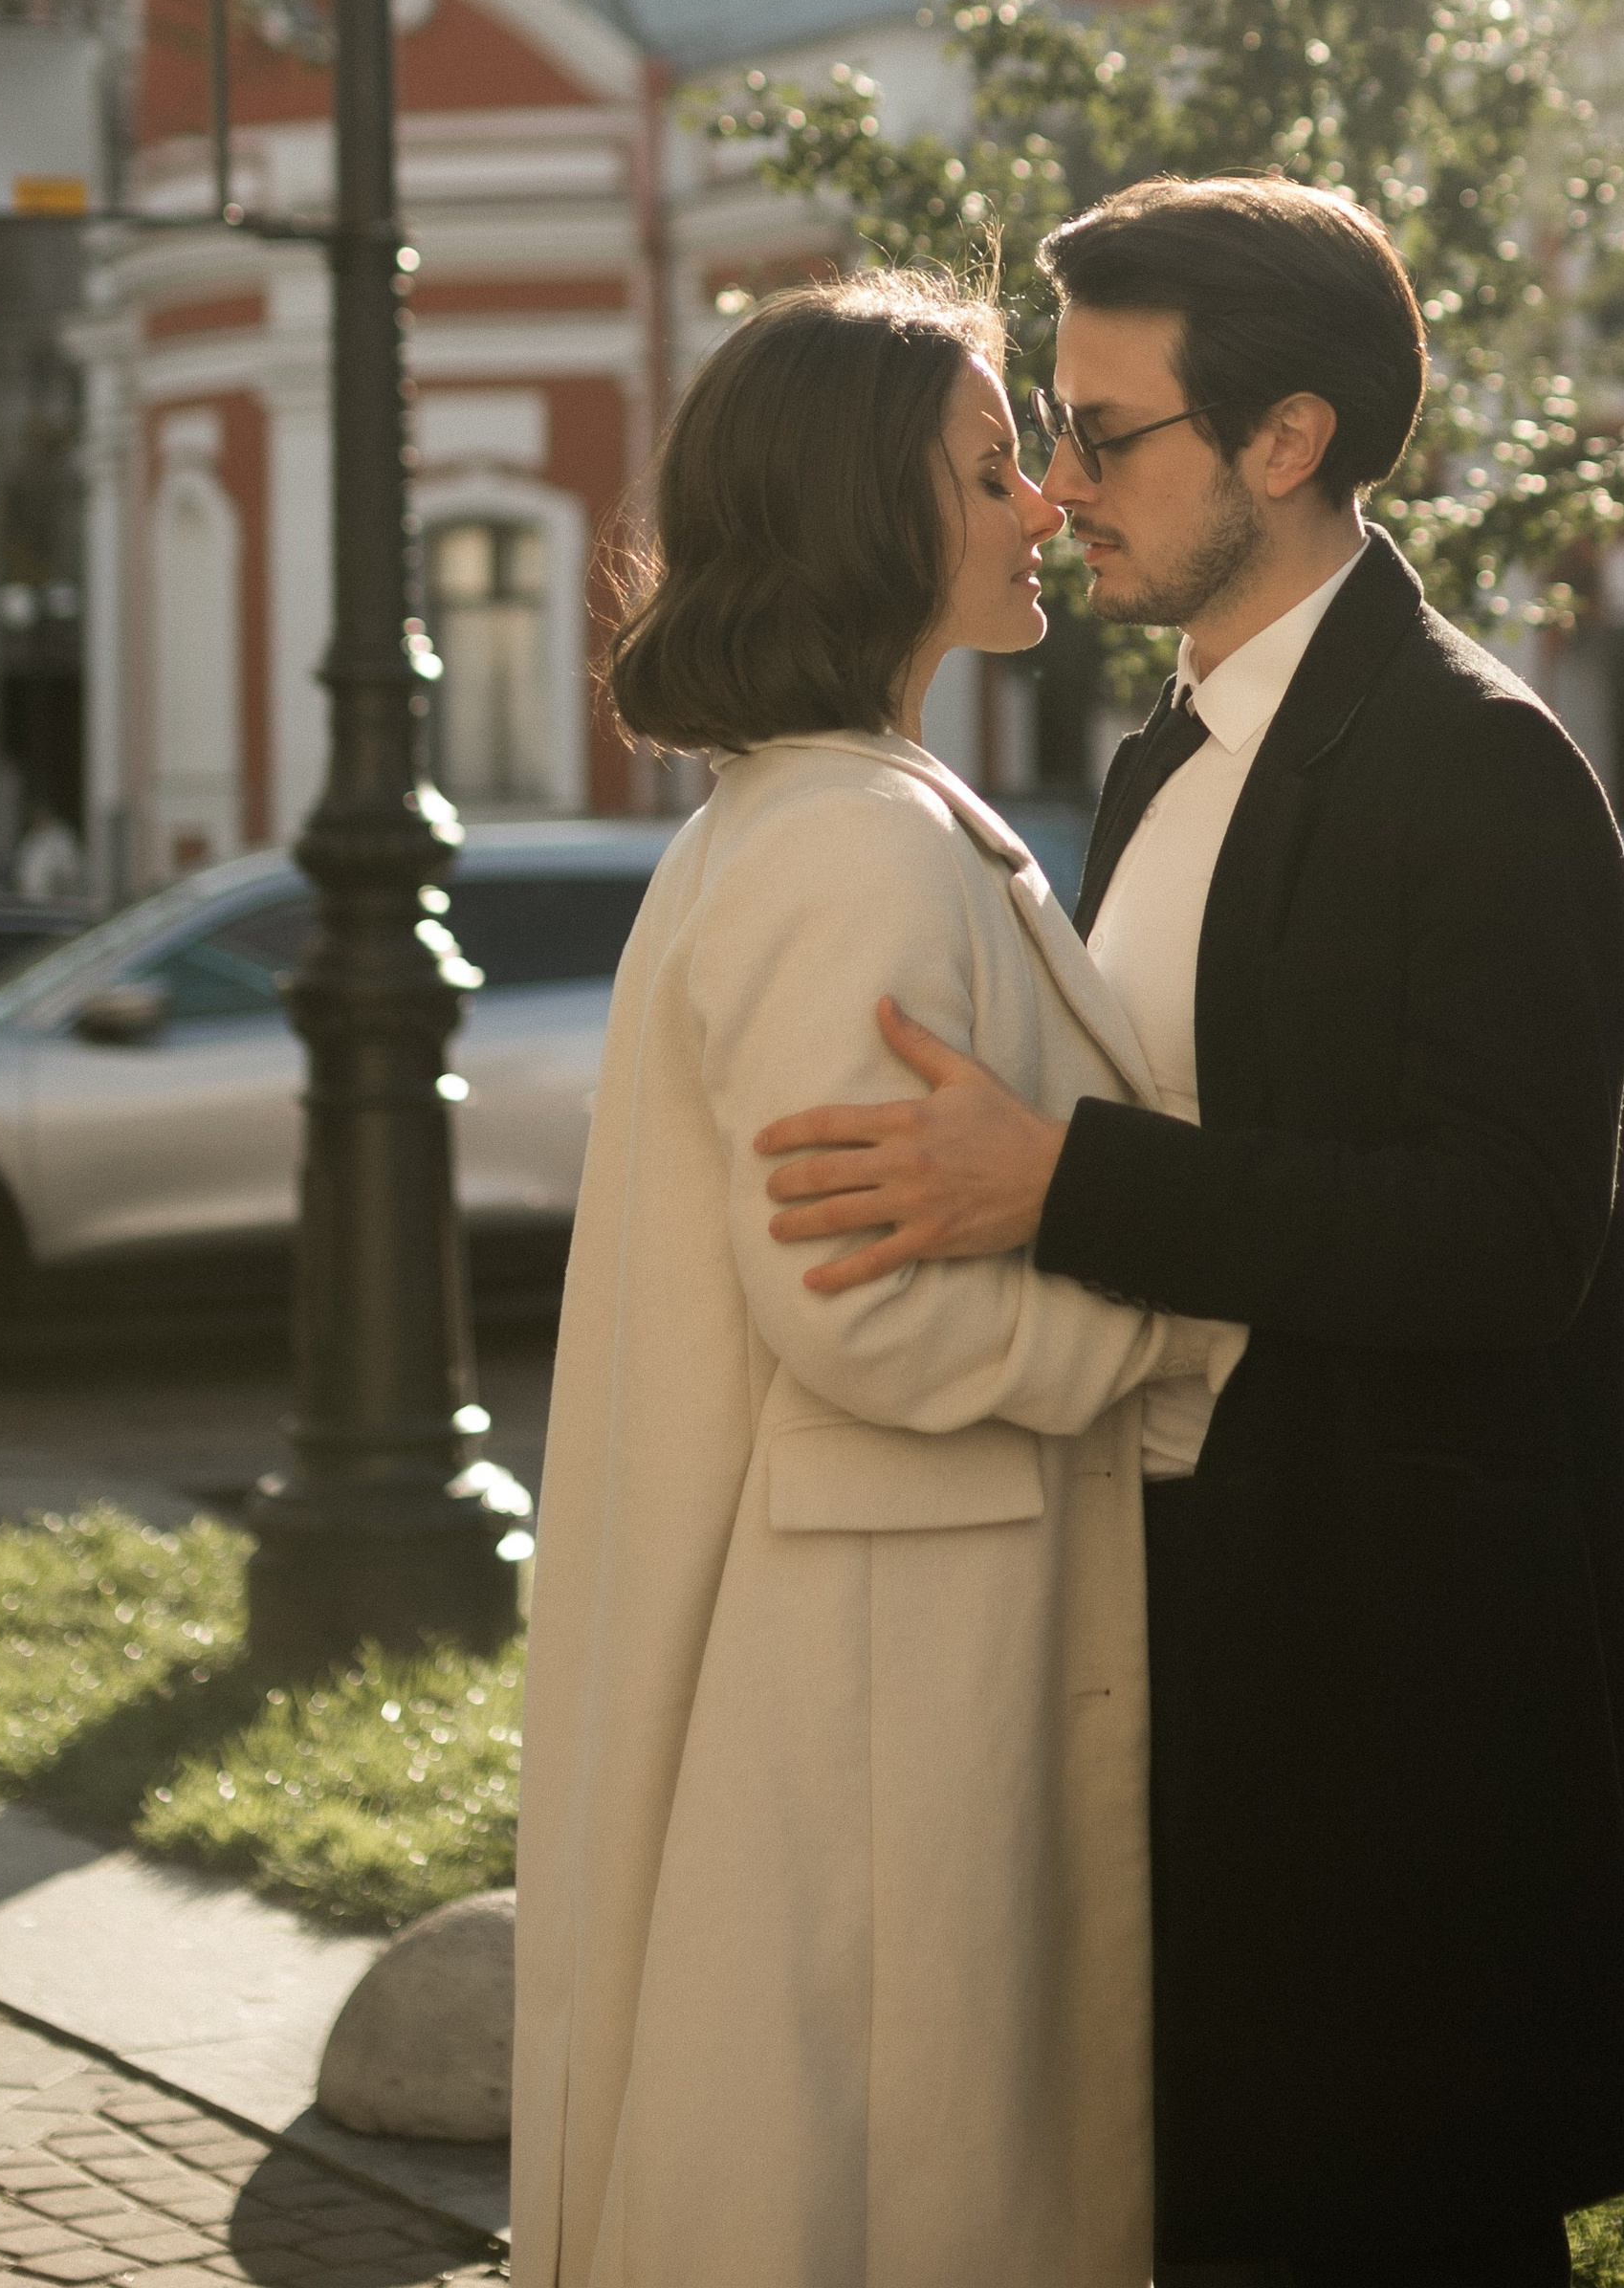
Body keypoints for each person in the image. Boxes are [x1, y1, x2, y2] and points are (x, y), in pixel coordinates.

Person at [760, 176, 1624, 2288]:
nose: (1056, 487)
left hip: (1387, 1711)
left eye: (1102, 435)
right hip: (1174, 1648)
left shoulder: (1483, 764)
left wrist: (1060, 1183)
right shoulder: (1158, 750)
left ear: (1286, 443)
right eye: (1049, 436)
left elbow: (1505, 1239)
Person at [511, 269, 1243, 2288]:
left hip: (882, 1645)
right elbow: (864, 1301)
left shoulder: (834, 813)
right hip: (873, 1686)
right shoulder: (850, 844)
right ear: (864, 508)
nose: (1039, 504)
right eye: (990, 461)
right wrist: (1163, 1315)